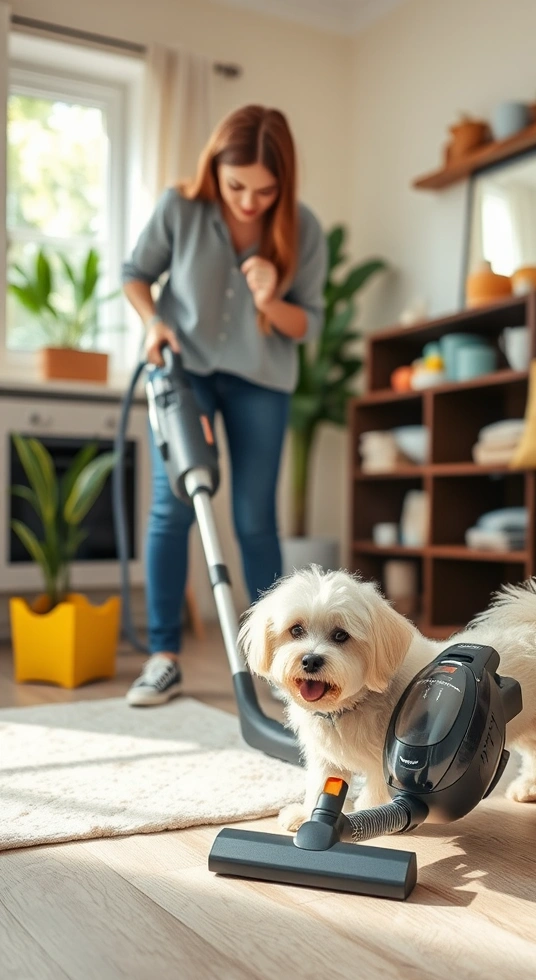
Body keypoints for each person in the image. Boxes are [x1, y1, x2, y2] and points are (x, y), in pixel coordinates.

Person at [121, 105, 327, 706]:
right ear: (216, 167)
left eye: (265, 190)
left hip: (262, 380)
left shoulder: (302, 228)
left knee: (254, 517)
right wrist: (154, 320)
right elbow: (136, 272)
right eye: (237, 185)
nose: (248, 201)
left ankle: (279, 668)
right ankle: (164, 657)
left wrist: (270, 297)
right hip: (184, 372)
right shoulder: (180, 208)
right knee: (173, 505)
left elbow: (306, 324)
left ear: (283, 184)